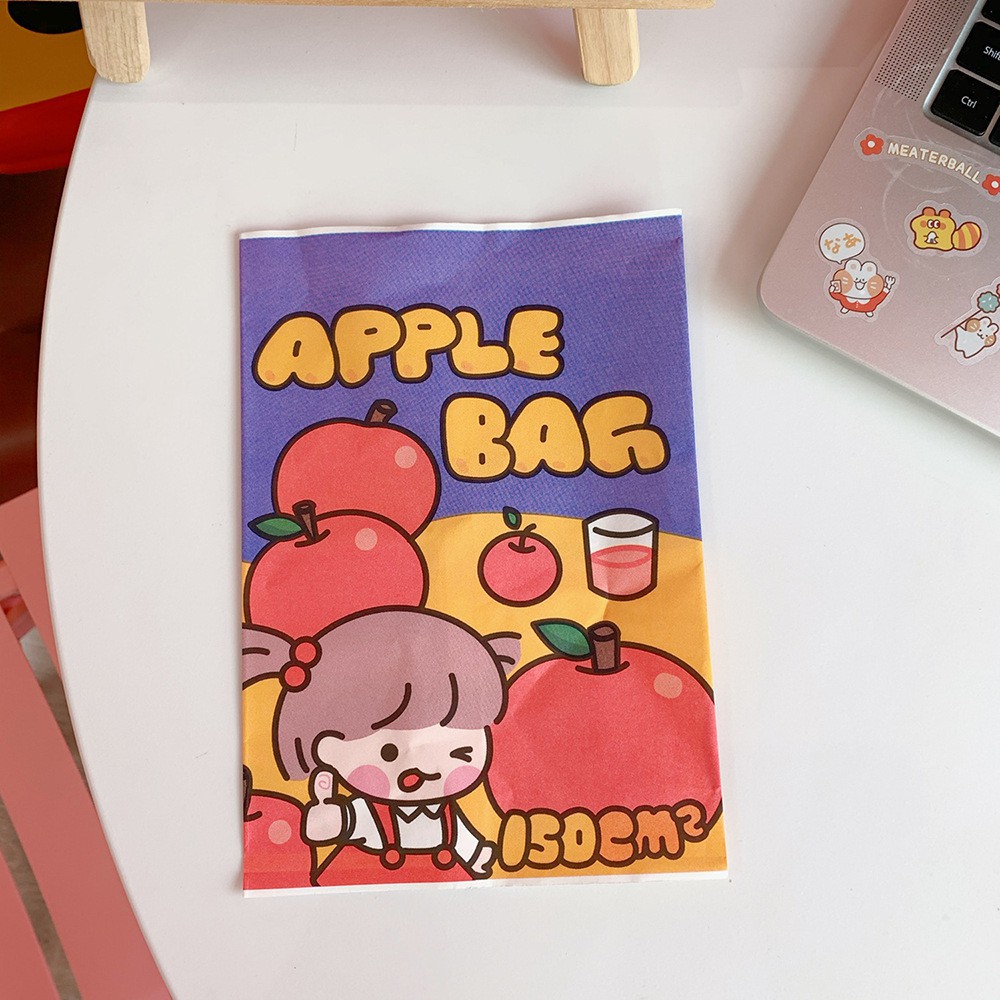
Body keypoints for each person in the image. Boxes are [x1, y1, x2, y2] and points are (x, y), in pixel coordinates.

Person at [242, 606, 519, 885]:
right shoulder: (369, 813)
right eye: (388, 753)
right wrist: (327, 815)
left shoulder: (447, 815)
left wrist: (479, 855)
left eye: (460, 753)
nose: (424, 769)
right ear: (327, 749)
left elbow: (465, 842)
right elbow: (338, 824)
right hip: (353, 891)